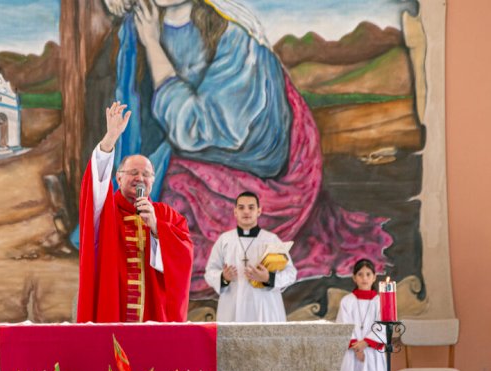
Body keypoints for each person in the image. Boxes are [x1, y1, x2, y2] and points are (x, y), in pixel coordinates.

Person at [103, 0, 393, 297]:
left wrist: (151, 43)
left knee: (169, 215)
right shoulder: (146, 19)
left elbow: (196, 129)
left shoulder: (236, 39)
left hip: (262, 174)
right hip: (207, 151)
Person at [77, 102, 193, 323]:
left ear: (153, 181)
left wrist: (158, 229)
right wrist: (109, 140)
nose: (140, 178)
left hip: (152, 316)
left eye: (146, 174)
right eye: (133, 172)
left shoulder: (168, 217)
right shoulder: (105, 211)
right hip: (112, 311)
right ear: (118, 178)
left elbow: (183, 260)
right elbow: (94, 187)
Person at [203, 191, 296, 322]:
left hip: (265, 308)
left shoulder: (271, 240)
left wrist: (268, 278)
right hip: (232, 308)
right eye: (241, 208)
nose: (246, 212)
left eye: (251, 207)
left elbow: (291, 273)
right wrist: (223, 278)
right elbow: (210, 272)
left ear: (259, 211)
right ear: (235, 212)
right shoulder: (225, 240)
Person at [335, 258, 387, 371]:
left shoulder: (381, 301)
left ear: (374, 277)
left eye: (368, 274)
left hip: (372, 352)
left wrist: (366, 343)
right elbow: (343, 326)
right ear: (354, 277)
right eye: (360, 274)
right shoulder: (347, 301)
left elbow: (383, 325)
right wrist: (356, 347)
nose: (364, 278)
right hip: (352, 353)